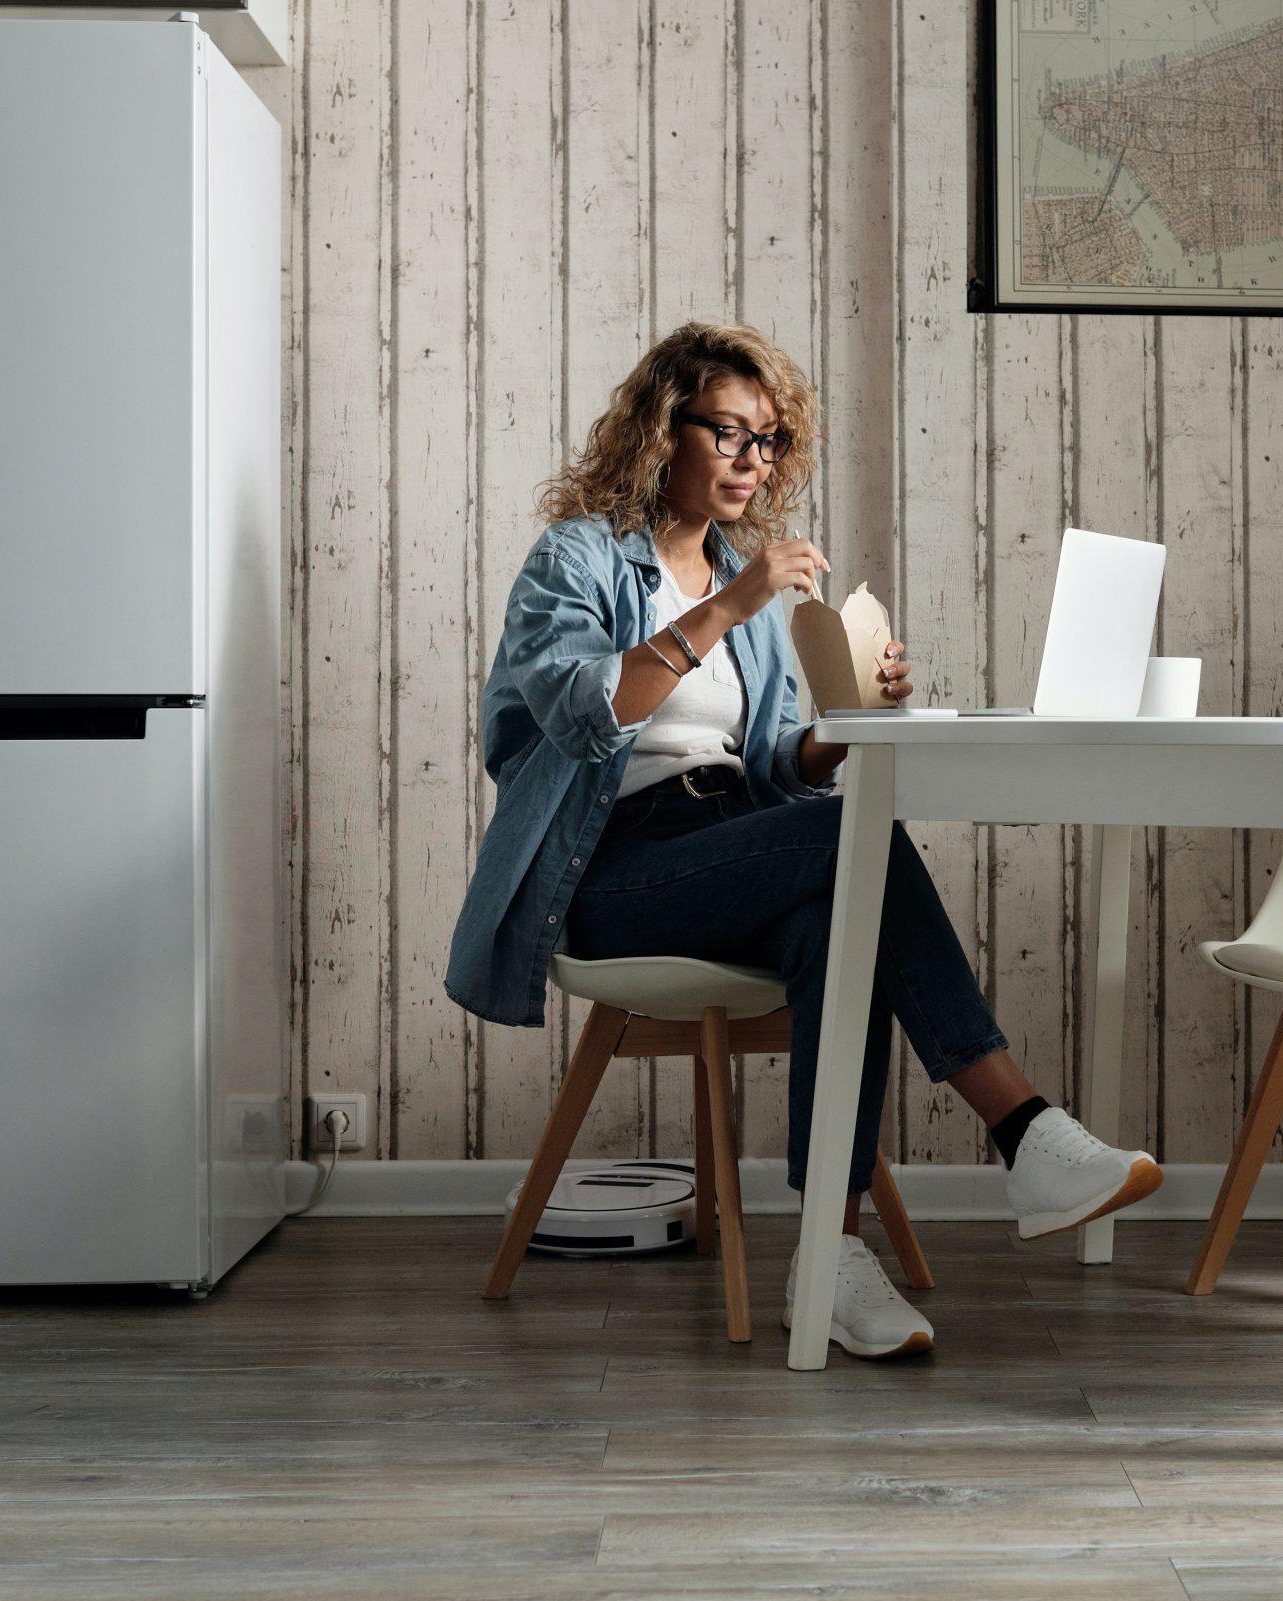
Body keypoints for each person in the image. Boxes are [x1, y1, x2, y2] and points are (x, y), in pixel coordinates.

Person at [445, 322, 1162, 1358]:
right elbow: (581, 714)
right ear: (663, 429)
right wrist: (728, 608)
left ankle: (830, 1261)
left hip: (731, 844)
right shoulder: (583, 557)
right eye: (729, 433)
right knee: (849, 846)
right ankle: (1021, 1128)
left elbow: (769, 762)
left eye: (768, 440)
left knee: (842, 919)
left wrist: (844, 721)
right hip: (609, 869)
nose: (751, 461)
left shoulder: (745, 575)